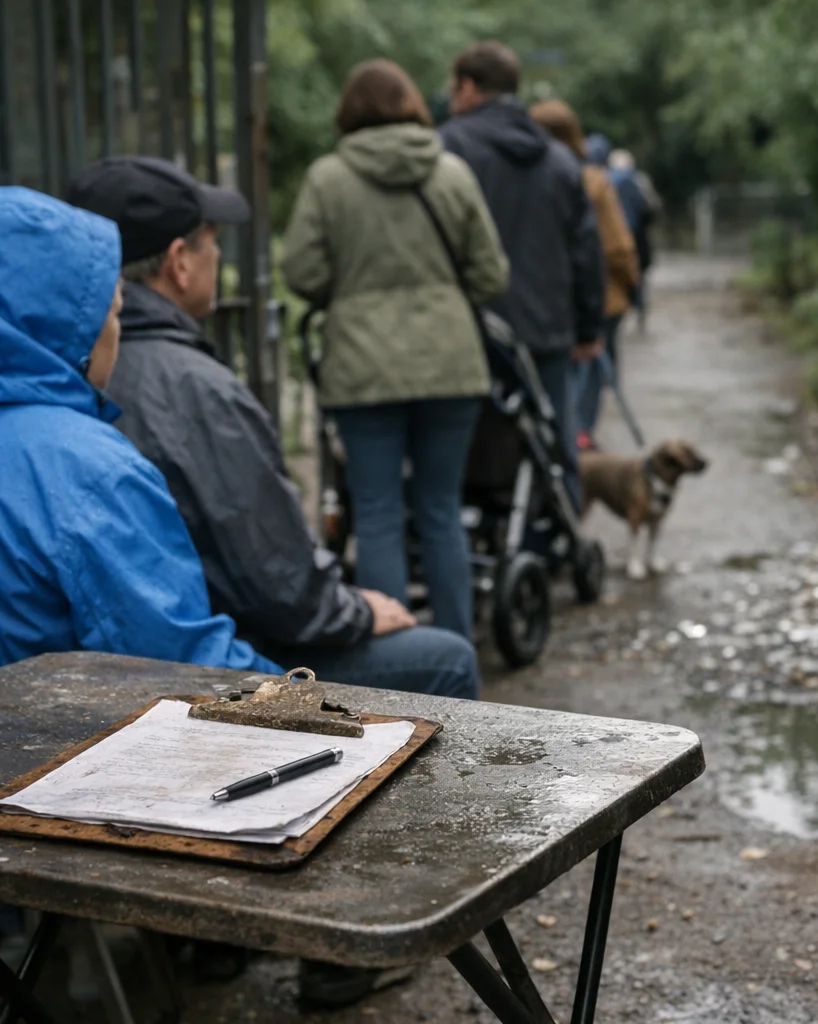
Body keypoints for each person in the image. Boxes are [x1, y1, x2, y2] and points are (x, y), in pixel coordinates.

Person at [68, 155, 479, 701]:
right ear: (179, 263)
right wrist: (356, 612)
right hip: (214, 662)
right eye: (211, 242)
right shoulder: (198, 389)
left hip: (116, 658)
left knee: (378, 510)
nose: (218, 255)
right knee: (448, 655)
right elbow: (280, 583)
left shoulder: (63, 367)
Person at [0, 186, 277, 676]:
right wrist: (319, 704)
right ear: (67, 330)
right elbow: (179, 668)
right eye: (113, 312)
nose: (116, 333)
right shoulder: (85, 469)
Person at [282, 60, 509, 642]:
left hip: (362, 367)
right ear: (412, 103)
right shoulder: (452, 173)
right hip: (450, 363)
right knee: (441, 511)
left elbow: (303, 271)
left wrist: (354, 293)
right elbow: (491, 274)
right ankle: (457, 647)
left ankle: (398, 663)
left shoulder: (328, 178)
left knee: (378, 513)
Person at [439, 41, 605, 506]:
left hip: (469, 328)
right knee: (555, 437)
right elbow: (585, 252)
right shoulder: (559, 160)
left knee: (465, 445)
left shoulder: (447, 150)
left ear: (469, 88)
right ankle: (556, 539)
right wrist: (589, 327)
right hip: (546, 326)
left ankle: (480, 540)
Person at [530, 100, 639, 448]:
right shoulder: (594, 181)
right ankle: (580, 443)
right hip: (600, 296)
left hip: (541, 299)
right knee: (588, 378)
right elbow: (617, 246)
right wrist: (631, 283)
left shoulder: (527, 177)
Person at [587, 136, 660, 332]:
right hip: (635, 238)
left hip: (606, 241)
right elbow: (651, 208)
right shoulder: (638, 180)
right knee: (637, 276)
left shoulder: (600, 180)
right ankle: (638, 308)